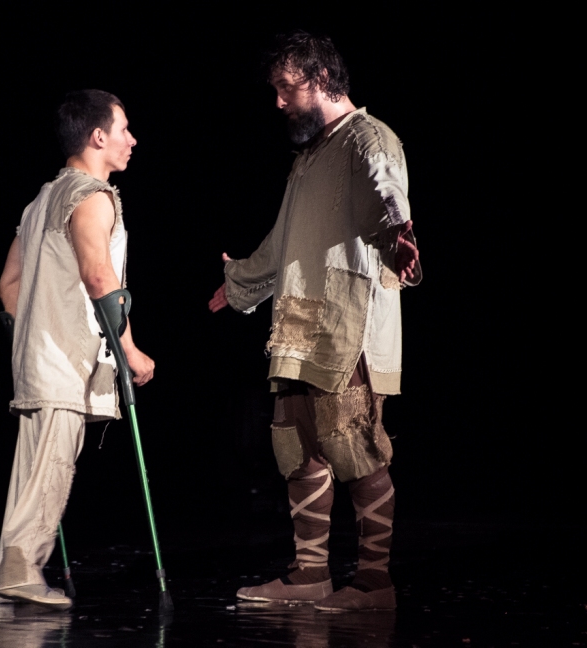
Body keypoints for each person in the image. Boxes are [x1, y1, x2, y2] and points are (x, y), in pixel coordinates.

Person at [209, 31, 421, 611]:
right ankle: (309, 575)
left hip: (347, 324)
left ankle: (375, 583)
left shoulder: (367, 137)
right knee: (298, 450)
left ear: (321, 78)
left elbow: (386, 193)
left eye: (287, 87)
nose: (279, 101)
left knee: (355, 447)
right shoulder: (308, 157)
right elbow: (284, 242)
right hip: (298, 326)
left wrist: (398, 233)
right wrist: (241, 283)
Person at [0, 89, 155, 609]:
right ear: (98, 136)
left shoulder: (41, 200)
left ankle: (15, 570)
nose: (132, 140)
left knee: (34, 470)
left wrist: (32, 336)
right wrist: (130, 351)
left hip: (38, 359)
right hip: (63, 360)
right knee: (52, 469)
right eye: (124, 129)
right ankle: (20, 572)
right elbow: (100, 276)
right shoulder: (91, 195)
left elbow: (8, 287)